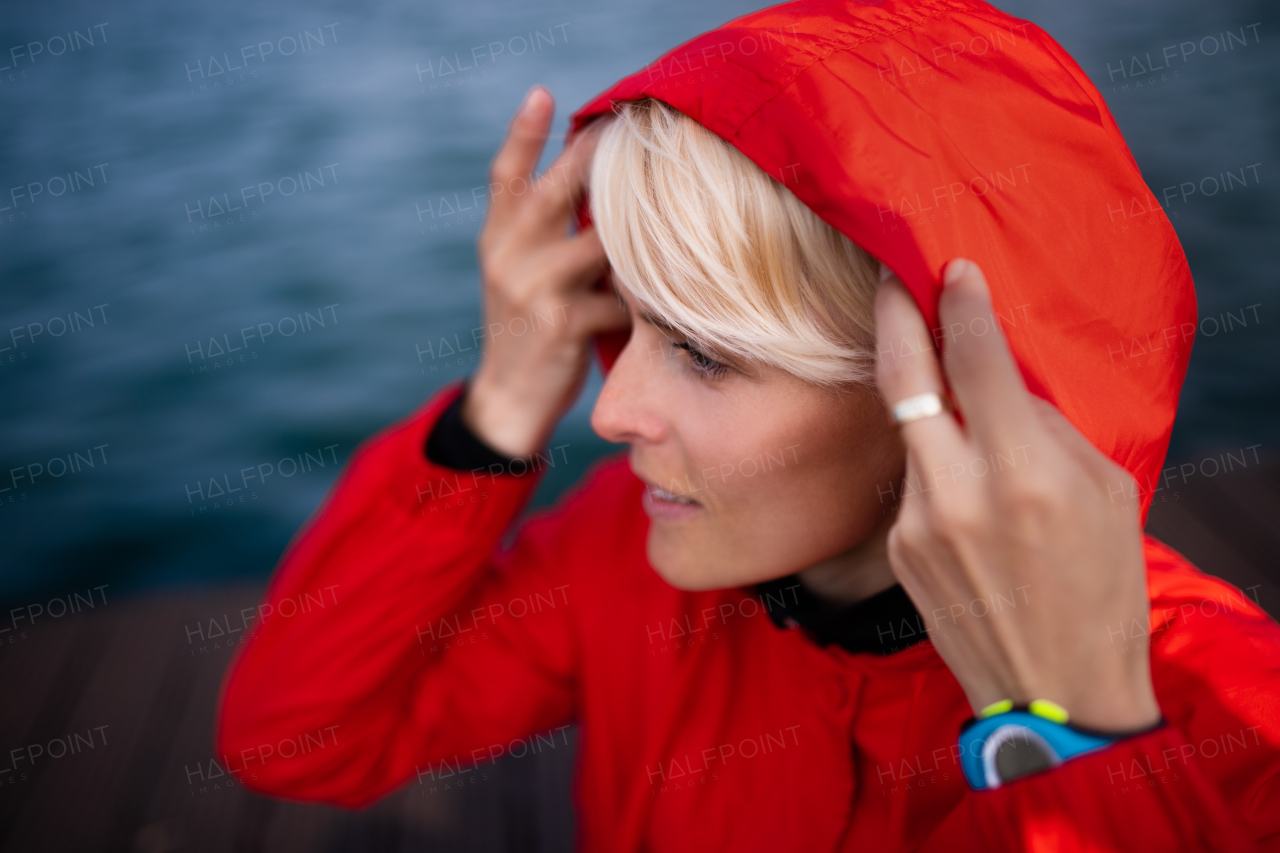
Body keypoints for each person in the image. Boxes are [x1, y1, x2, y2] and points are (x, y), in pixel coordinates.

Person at [215, 1, 1280, 850]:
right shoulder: (625, 554)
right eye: (623, 318)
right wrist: (498, 404)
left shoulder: (1228, 714)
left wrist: (1073, 734)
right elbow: (303, 740)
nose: (612, 409)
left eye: (704, 351)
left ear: (949, 386)